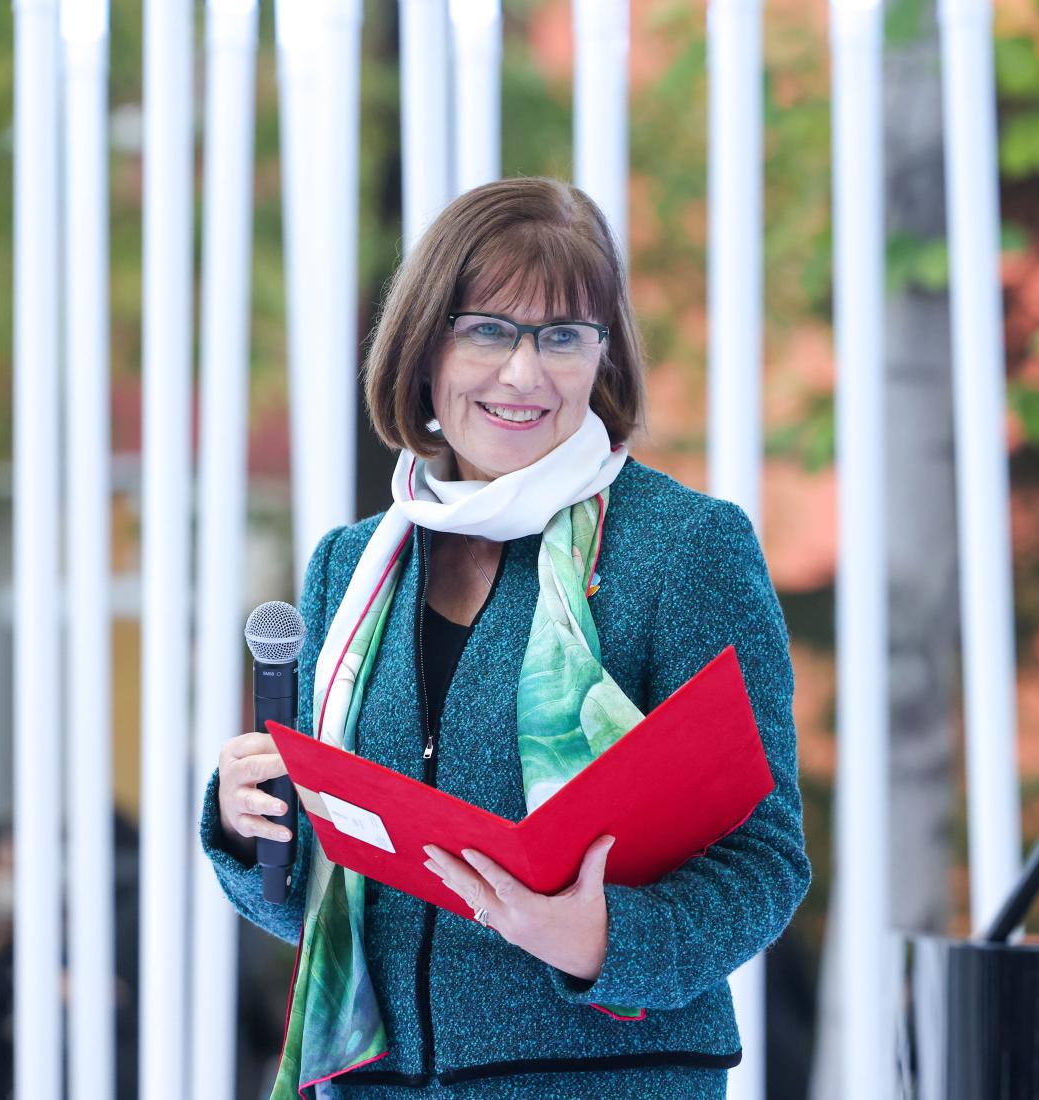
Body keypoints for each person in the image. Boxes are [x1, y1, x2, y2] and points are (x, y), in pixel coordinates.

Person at [199, 176, 810, 1099]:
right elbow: (344, 898)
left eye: (563, 336)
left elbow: (764, 861)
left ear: (601, 357)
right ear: (425, 348)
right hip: (377, 1082)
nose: (525, 374)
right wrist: (255, 831)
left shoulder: (683, 550)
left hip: (602, 1081)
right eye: (490, 329)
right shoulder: (356, 565)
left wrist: (599, 940)